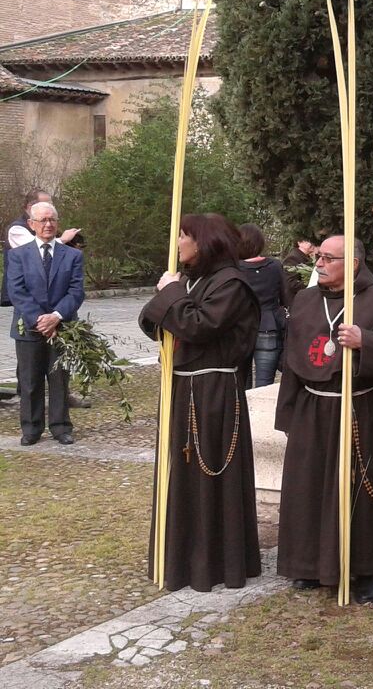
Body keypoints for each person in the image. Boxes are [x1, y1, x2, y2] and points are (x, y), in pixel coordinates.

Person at [275, 235, 373, 603]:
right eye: (318, 257)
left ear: (352, 263)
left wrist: (365, 340)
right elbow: (291, 360)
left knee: (360, 486)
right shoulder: (305, 300)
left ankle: (363, 568)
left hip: (358, 407)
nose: (318, 263)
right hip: (311, 407)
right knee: (309, 485)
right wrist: (287, 412)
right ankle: (307, 564)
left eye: (327, 258)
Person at [139, 212, 261, 591]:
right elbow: (152, 322)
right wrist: (170, 293)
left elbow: (200, 325)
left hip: (213, 392)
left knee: (210, 472)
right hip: (181, 386)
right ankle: (181, 557)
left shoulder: (232, 284)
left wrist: (172, 294)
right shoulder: (192, 279)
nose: (177, 243)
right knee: (180, 473)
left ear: (204, 241)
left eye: (182, 236)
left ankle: (213, 561)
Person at [7, 201, 85, 445]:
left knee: (59, 379)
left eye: (52, 220)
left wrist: (56, 317)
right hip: (29, 328)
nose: (48, 224)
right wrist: (39, 319)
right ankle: (31, 428)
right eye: (43, 220)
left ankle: (61, 426)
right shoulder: (18, 255)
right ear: (32, 224)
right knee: (30, 381)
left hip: (61, 327)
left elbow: (76, 291)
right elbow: (16, 290)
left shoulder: (72, 255)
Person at [238, 224, 292, 387]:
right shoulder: (275, 265)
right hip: (269, 325)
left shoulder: (234, 268)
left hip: (241, 328)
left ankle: (243, 412)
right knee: (265, 383)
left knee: (241, 383)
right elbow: (285, 297)